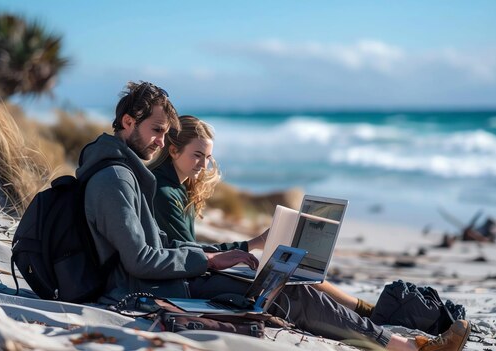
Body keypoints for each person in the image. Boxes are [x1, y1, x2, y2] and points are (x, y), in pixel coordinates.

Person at [76, 81, 470, 351]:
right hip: (146, 290)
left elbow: (157, 250)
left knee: (281, 280)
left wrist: (221, 256)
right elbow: (141, 259)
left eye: (165, 133)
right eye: (157, 131)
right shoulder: (115, 177)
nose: (161, 142)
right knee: (287, 292)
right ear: (128, 122)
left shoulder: (122, 171)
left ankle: (391, 336)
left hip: (159, 280)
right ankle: (403, 346)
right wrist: (214, 258)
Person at [148, 115, 375, 317]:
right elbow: (189, 254)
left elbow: (191, 250)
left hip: (189, 274)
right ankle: (365, 314)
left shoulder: (177, 187)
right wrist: (249, 245)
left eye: (208, 157)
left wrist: (254, 244)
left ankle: (363, 310)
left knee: (291, 275)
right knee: (288, 282)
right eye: (197, 155)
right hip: (185, 284)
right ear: (174, 150)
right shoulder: (164, 192)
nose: (204, 165)